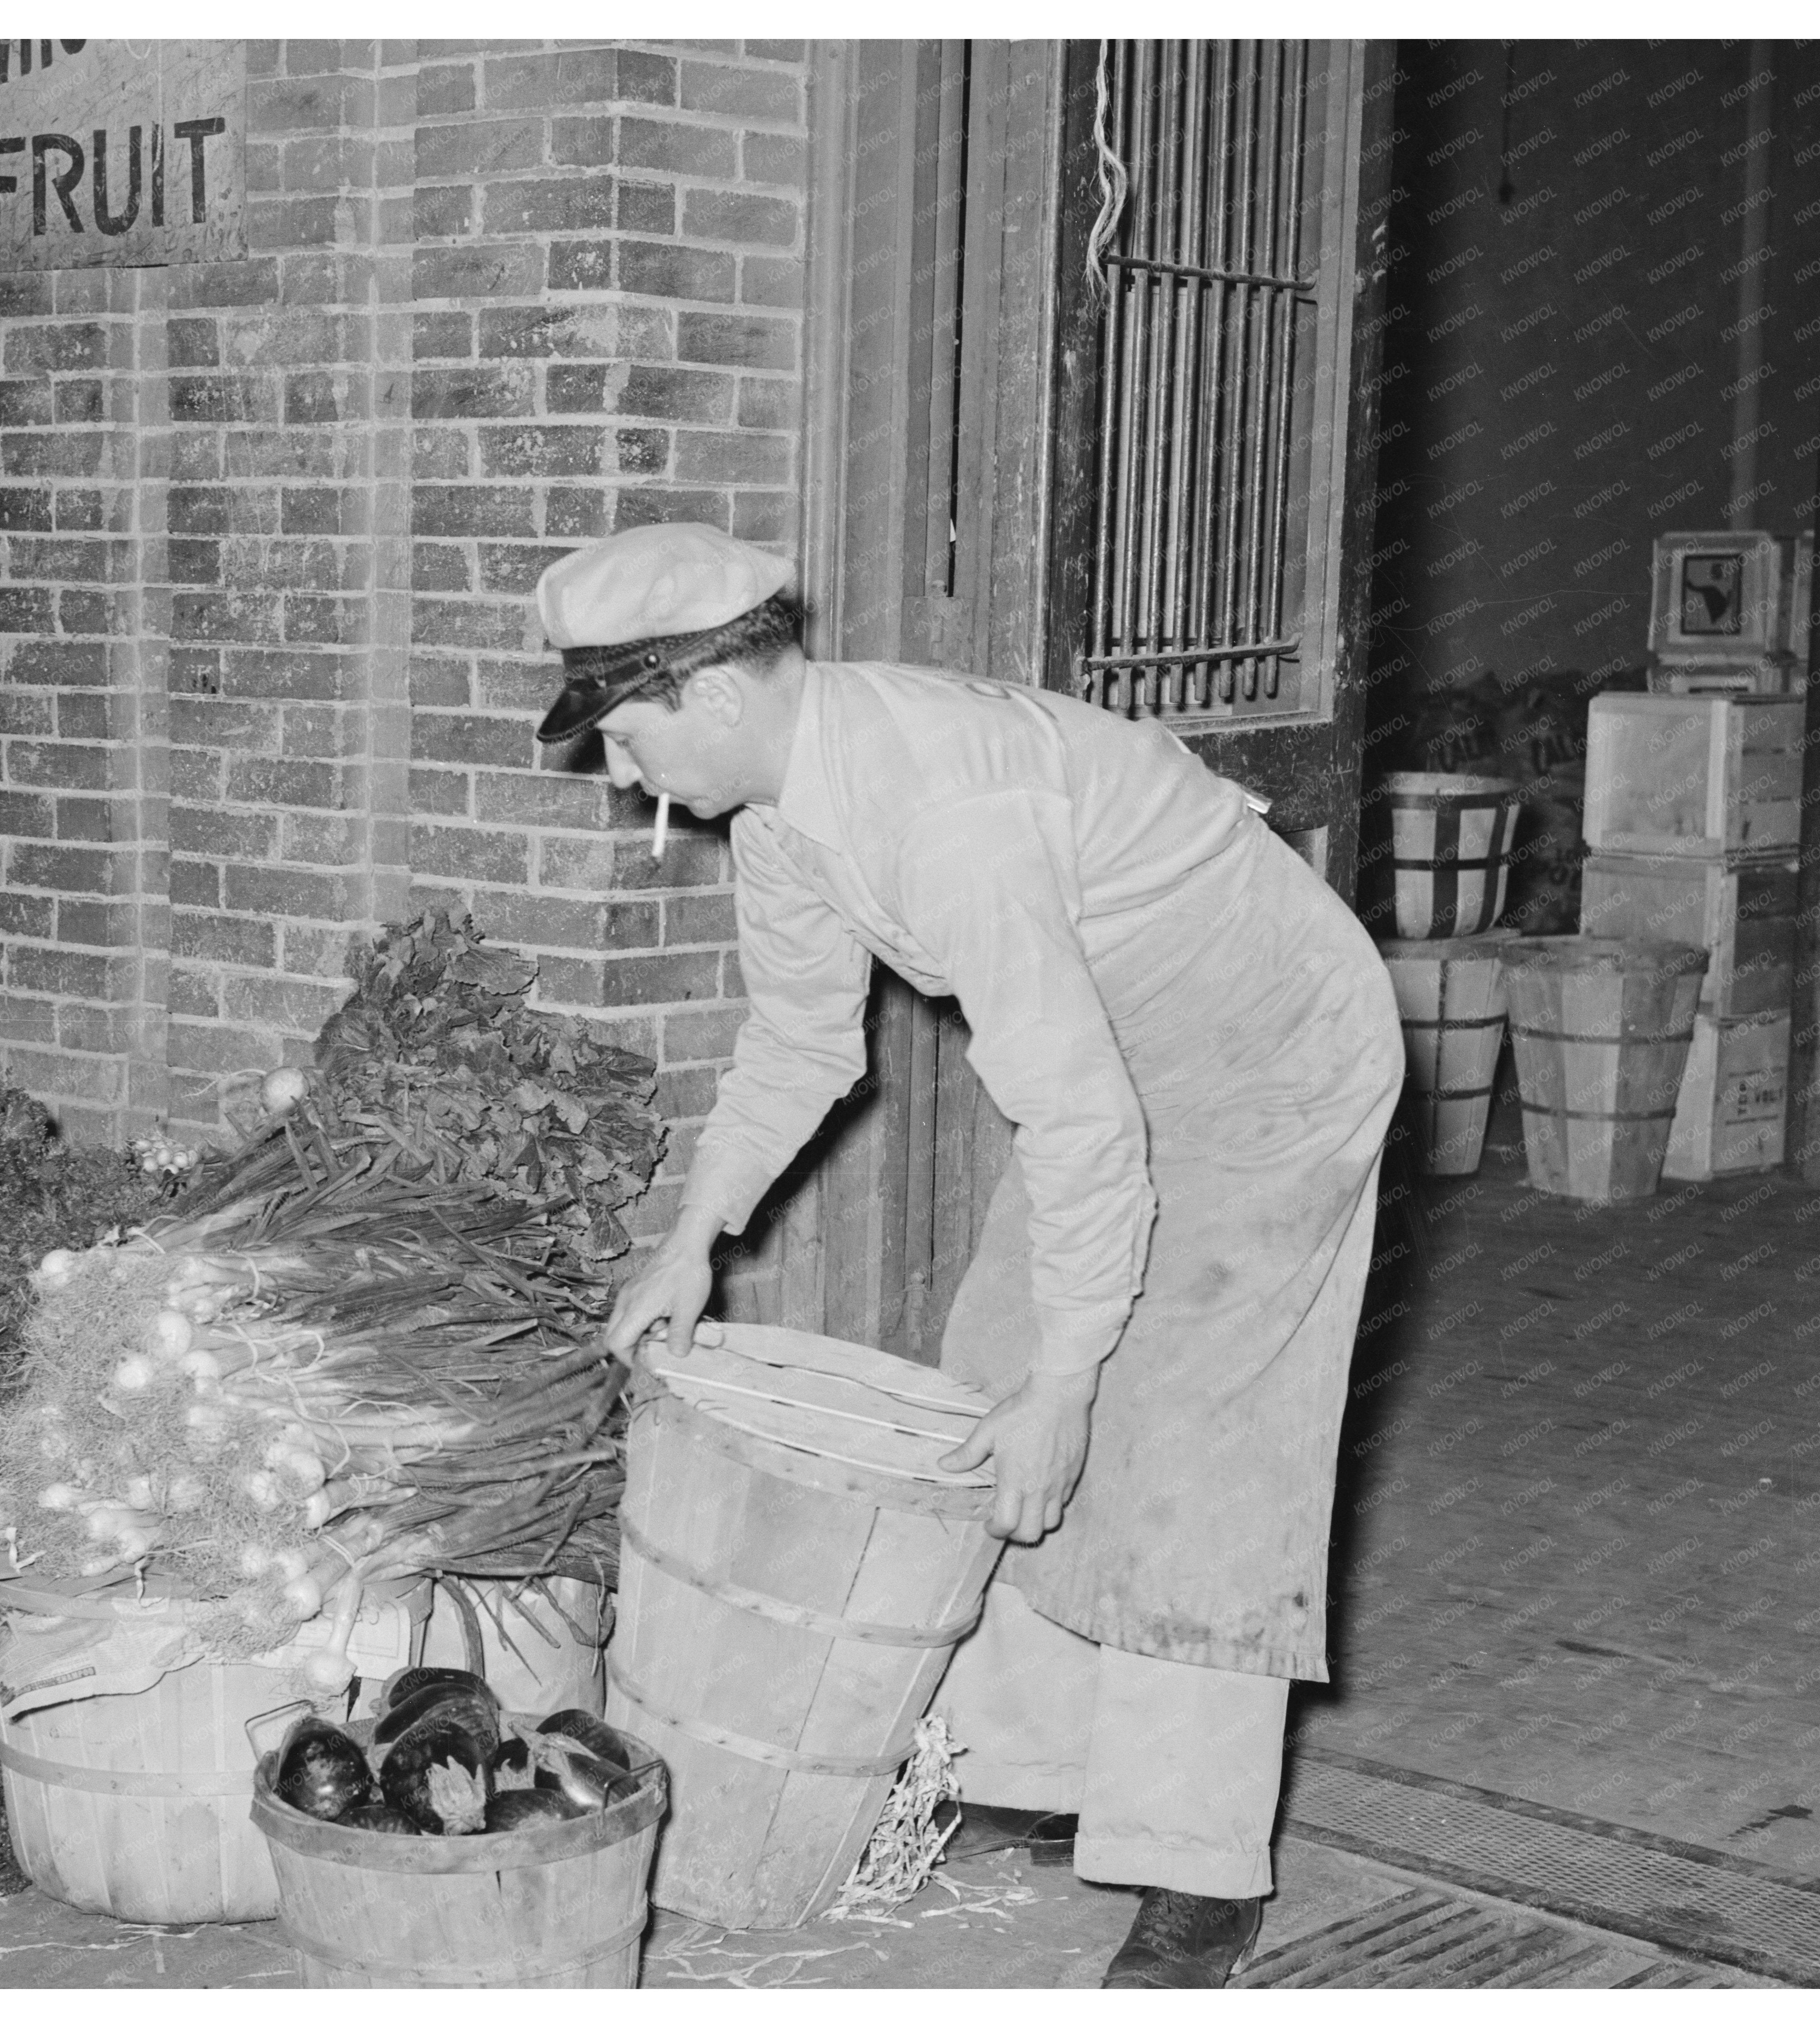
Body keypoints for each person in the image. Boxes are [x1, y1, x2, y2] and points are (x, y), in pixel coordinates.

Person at [535, 522, 1405, 1989]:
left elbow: (1077, 1118)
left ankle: (1195, 1868)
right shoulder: (787, 810)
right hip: (1123, 1051)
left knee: (1191, 1440)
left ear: (718, 695)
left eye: (628, 734)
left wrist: (1075, 1383)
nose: (623, 774)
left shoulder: (946, 817)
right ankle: (1031, 1767)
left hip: (1269, 1055)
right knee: (997, 1365)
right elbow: (801, 1042)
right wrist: (694, 1238)